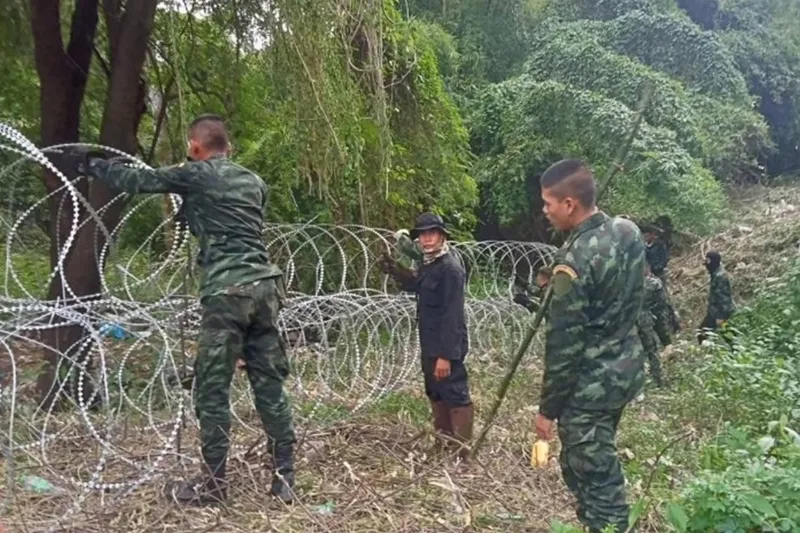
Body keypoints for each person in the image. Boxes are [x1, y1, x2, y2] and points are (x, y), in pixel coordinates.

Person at [70, 115, 296, 506]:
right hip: (265, 289)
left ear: (195, 146)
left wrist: (91, 164)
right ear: (230, 147)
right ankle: (284, 480)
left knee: (211, 390)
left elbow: (140, 182)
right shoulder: (254, 182)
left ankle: (213, 485)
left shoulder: (196, 174)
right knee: (270, 386)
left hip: (226, 291)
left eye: (189, 147)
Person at [533, 159, 645, 533]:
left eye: (549, 203)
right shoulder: (628, 232)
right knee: (599, 459)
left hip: (590, 388)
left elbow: (565, 344)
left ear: (569, 204)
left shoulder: (572, 262)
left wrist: (547, 410)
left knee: (595, 479)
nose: (545, 211)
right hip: (624, 371)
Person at [380, 213, 473, 463]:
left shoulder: (450, 268)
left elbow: (453, 315)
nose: (427, 238)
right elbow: (419, 285)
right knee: (435, 392)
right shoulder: (430, 263)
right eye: (422, 234)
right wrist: (397, 272)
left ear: (442, 236)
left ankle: (462, 455)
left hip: (446, 345)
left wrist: (446, 356)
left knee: (455, 393)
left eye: (432, 233)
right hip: (429, 341)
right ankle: (443, 444)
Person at [638, 264, 673, 387]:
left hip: (629, 322)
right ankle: (658, 380)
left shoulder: (627, 283)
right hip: (646, 321)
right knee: (652, 350)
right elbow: (661, 305)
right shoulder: (654, 283)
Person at [698, 250, 736, 344]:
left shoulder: (720, 277)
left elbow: (724, 298)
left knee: (727, 335)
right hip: (714, 311)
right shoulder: (716, 273)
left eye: (708, 261)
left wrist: (721, 317)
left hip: (720, 312)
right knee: (702, 333)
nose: (706, 265)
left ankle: (737, 352)